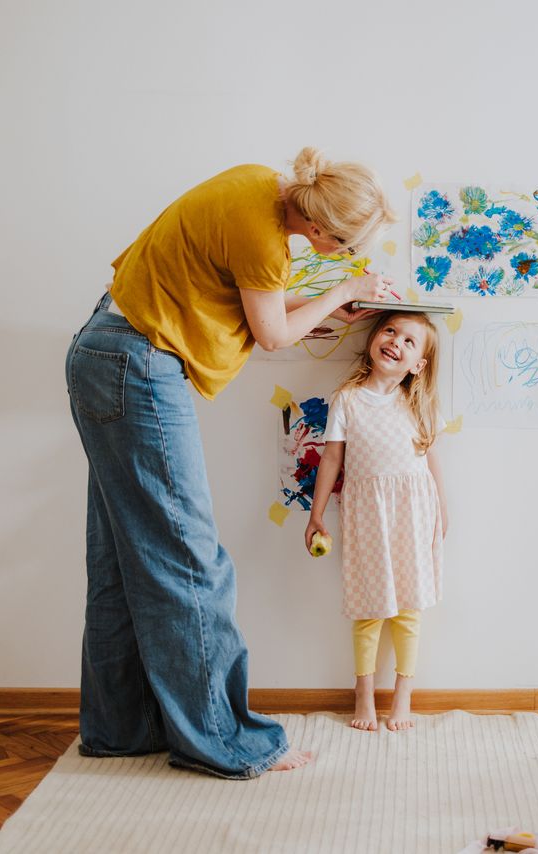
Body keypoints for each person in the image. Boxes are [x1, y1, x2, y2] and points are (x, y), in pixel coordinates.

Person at [64, 147, 395, 777]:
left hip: (105, 351)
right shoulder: (267, 240)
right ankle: (225, 741)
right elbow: (271, 334)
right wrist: (347, 290)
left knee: (122, 560)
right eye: (348, 244)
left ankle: (121, 729)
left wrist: (327, 300)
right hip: (137, 367)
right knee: (191, 561)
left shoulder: (255, 184)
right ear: (320, 227)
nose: (348, 256)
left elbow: (254, 300)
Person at [305, 312, 448, 732]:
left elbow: (431, 456)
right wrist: (315, 514)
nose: (396, 343)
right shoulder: (347, 399)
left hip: (413, 510)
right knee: (369, 607)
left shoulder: (418, 403)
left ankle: (404, 693)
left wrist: (442, 506)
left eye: (409, 342)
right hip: (368, 512)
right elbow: (332, 457)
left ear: (418, 364)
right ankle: (363, 692)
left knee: (408, 607)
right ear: (374, 336)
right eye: (390, 331)